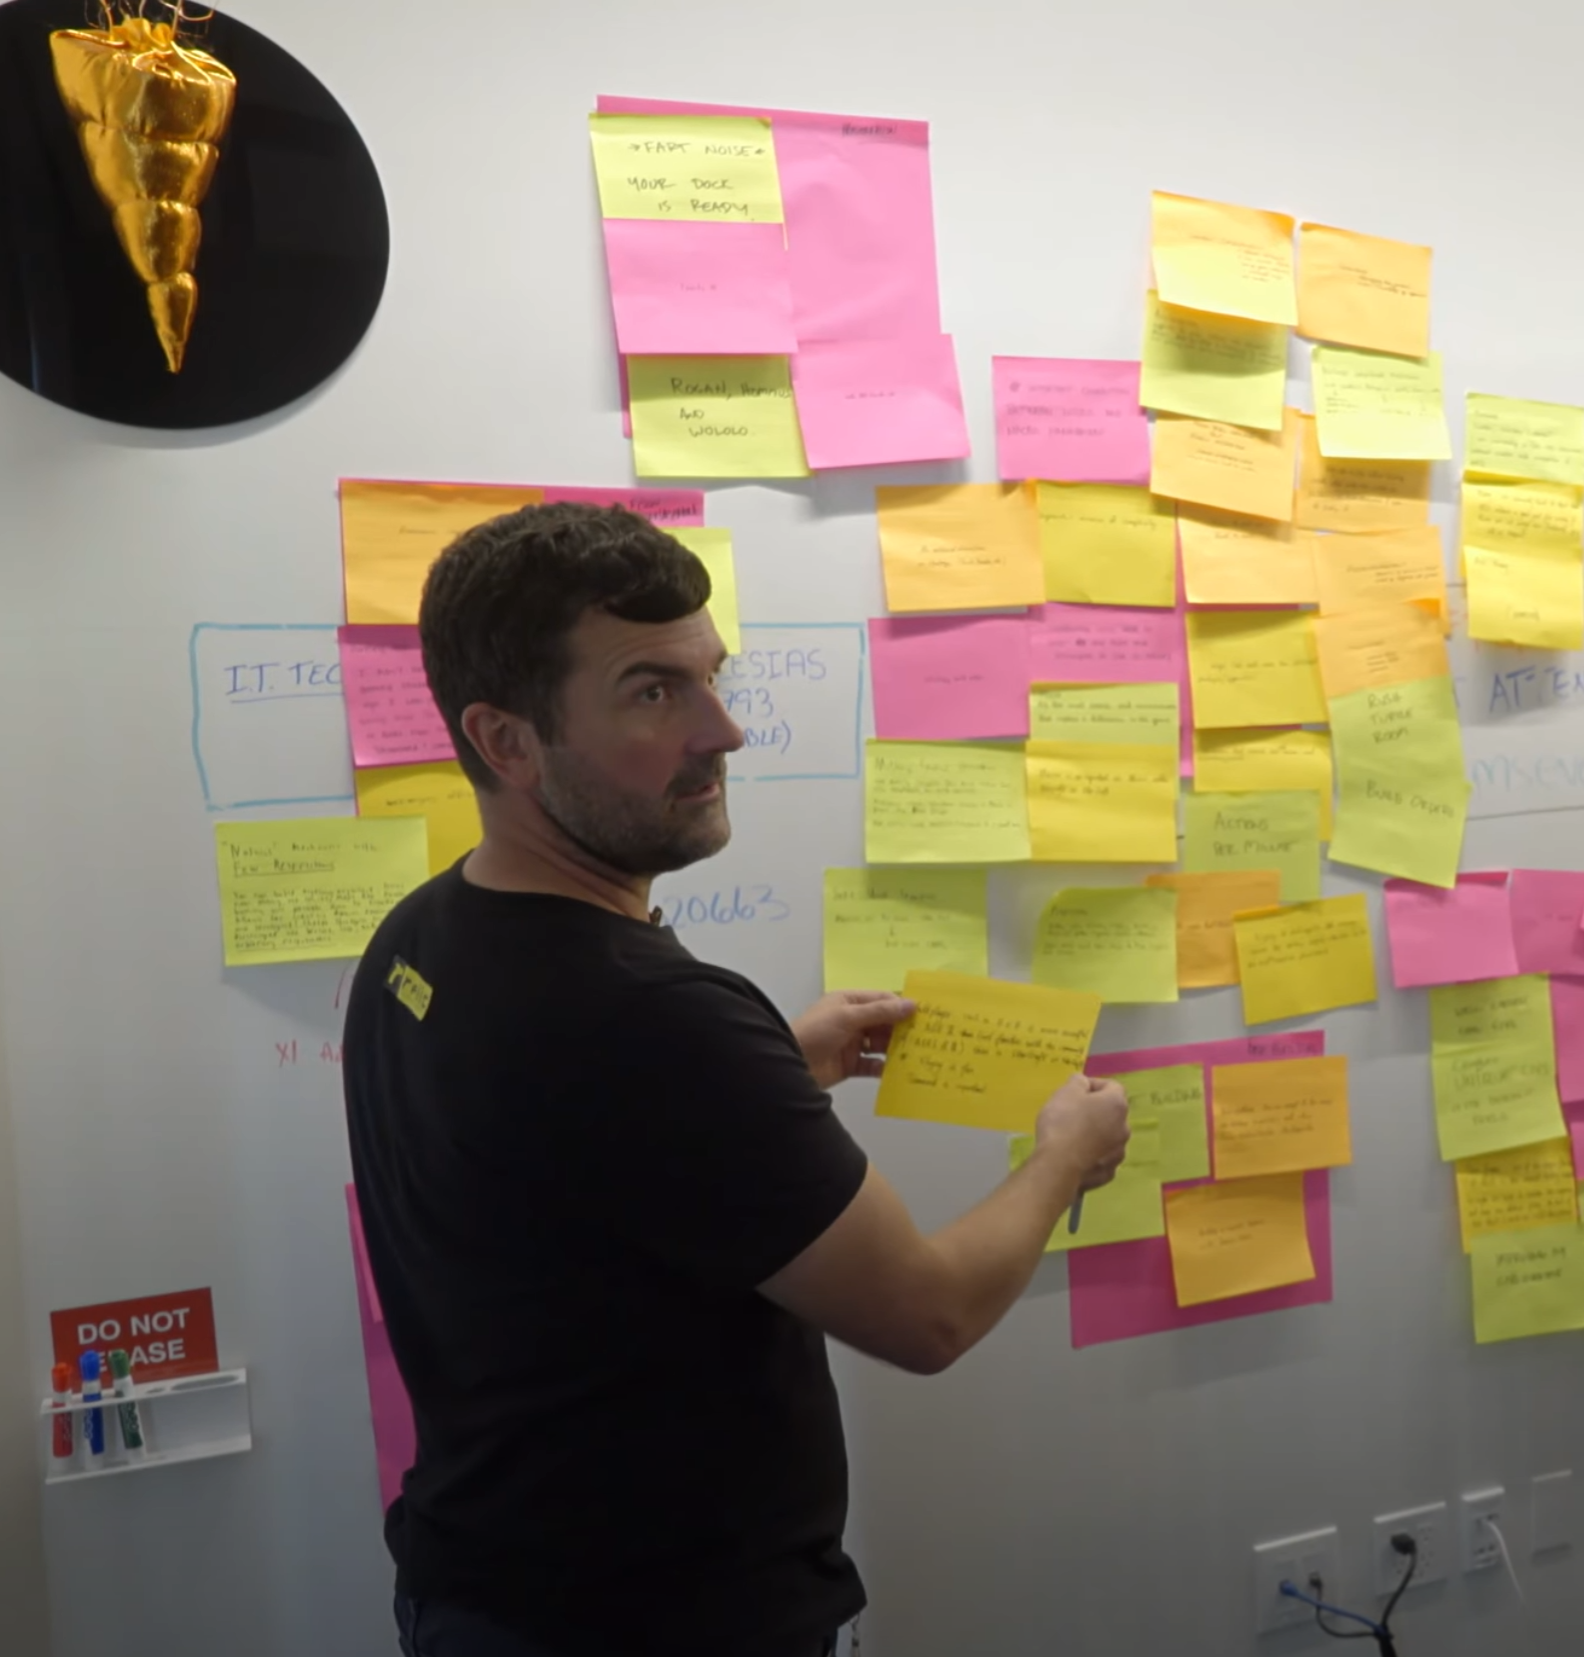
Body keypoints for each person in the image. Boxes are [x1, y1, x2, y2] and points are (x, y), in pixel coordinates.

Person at [342, 504, 1133, 1657]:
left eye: (711, 677)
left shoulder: (420, 936)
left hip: (483, 1584)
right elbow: (929, 1312)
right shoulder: (655, 1024)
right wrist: (1065, 1155)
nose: (723, 731)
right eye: (652, 692)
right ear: (506, 741)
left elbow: (568, 1171)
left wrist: (775, 1072)